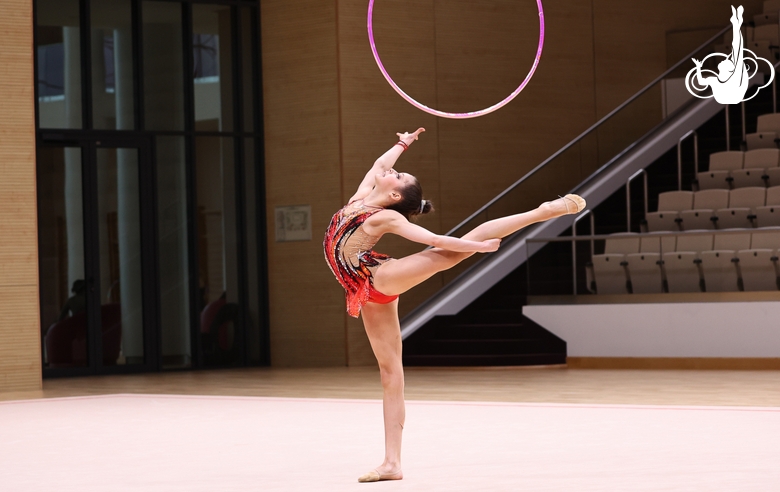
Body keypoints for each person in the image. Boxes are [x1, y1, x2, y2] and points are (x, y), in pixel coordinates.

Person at [323, 128, 585, 483]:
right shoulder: (360, 198)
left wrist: (474, 251)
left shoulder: (385, 217)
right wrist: (403, 143)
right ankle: (392, 463)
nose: (390, 171)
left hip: (378, 278)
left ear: (394, 193)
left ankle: (542, 211)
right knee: (390, 375)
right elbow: (379, 163)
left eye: (397, 176)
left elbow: (431, 238)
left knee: (447, 252)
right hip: (363, 293)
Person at [692, 5, 749, 104]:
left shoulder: (734, 77)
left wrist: (736, 26)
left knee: (737, 51)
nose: (725, 59)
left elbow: (737, 48)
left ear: (729, 69)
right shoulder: (715, 80)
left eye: (727, 61)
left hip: (733, 96)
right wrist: (698, 67)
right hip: (726, 97)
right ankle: (736, 24)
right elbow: (701, 81)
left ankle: (736, 24)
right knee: (736, 51)